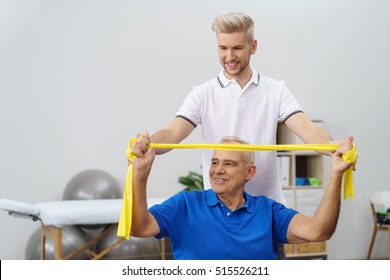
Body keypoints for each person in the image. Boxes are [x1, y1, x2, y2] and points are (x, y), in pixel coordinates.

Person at [131, 12, 352, 258]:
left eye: (237, 48)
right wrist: (149, 144)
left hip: (263, 216)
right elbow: (172, 132)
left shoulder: (275, 90)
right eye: (222, 48)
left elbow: (308, 131)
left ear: (253, 46)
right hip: (217, 209)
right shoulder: (202, 93)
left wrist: (334, 147)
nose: (229, 56)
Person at [130, 135, 356, 260]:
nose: (217, 170)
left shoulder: (269, 211)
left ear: (249, 172)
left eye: (229, 163)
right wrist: (140, 175)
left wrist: (336, 173)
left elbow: (318, 232)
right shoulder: (186, 205)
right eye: (215, 162)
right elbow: (139, 228)